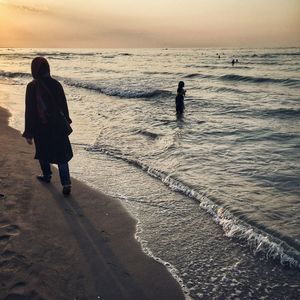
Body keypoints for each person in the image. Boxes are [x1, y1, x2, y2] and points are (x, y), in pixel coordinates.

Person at [22, 57, 73, 196]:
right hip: (57, 126)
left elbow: (30, 111)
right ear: (47, 68)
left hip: (41, 127)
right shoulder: (57, 84)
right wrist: (66, 121)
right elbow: (64, 106)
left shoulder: (32, 86)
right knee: (62, 155)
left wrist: (29, 132)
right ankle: (66, 183)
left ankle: (47, 176)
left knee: (43, 152)